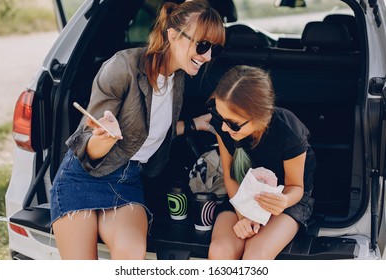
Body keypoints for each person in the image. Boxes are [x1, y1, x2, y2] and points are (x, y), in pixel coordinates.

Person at [50, 0, 225, 260]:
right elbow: (88, 148)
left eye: (214, 48)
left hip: (127, 180)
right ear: (173, 36)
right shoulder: (123, 67)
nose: (208, 56)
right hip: (82, 177)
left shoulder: (178, 78)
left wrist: (193, 125)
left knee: (131, 255)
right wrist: (104, 139)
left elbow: (147, 133)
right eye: (202, 46)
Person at [207, 65, 316, 260]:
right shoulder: (224, 126)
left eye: (232, 123)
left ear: (260, 117)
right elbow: (230, 176)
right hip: (241, 196)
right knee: (219, 252)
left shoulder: (288, 131)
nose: (223, 127)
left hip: (282, 203)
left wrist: (282, 201)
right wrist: (244, 215)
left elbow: (296, 187)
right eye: (219, 116)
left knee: (256, 256)